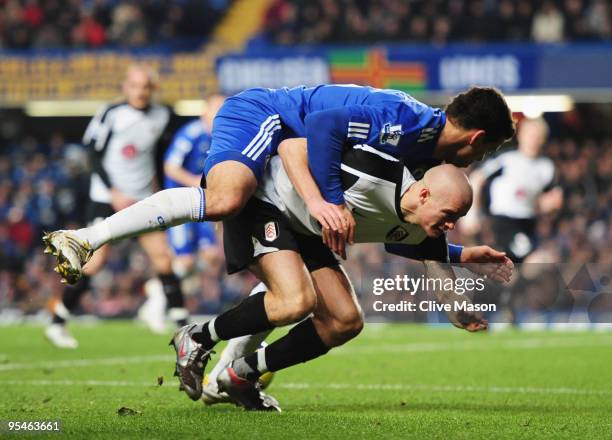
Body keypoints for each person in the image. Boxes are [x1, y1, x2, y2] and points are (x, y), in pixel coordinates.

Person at [43, 84, 515, 286]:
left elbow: (399, 234)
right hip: (265, 115)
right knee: (228, 198)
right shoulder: (405, 125)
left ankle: (232, 369)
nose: (476, 161)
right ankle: (85, 237)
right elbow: (325, 125)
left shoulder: (422, 160)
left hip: (289, 160)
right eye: (485, 152)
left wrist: (458, 259)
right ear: (476, 138)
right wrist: (329, 202)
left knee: (304, 280)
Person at [169, 141, 513, 410]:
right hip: (269, 199)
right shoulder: (372, 171)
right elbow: (293, 148)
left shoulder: (421, 220)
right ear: (424, 194)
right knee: (296, 301)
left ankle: (240, 376)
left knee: (346, 321)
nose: (452, 225)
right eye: (450, 214)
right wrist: (318, 202)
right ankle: (199, 336)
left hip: (309, 227)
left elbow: (417, 249)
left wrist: (459, 283)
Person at [44, 64, 188, 348]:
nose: (140, 92)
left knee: (163, 259)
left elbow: (159, 154)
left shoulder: (163, 115)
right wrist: (113, 190)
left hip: (144, 198)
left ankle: (184, 329)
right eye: (134, 86)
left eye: (145, 86)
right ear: (125, 87)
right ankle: (58, 322)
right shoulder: (111, 113)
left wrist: (158, 185)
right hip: (107, 199)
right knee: (94, 263)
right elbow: (93, 154)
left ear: (153, 89)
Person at [138, 97, 226, 332]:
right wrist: (197, 183)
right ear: (205, 112)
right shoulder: (191, 133)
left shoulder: (220, 136)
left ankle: (157, 289)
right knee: (184, 259)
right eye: (216, 110)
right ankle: (155, 305)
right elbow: (170, 166)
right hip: (180, 203)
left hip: (202, 203)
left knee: (211, 256)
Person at [463, 117, 563, 262]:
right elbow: (477, 179)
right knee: (535, 260)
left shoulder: (547, 167)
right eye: (530, 135)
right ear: (521, 135)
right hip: (503, 221)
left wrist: (549, 206)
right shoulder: (507, 160)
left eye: (538, 136)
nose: (533, 140)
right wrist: (472, 214)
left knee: (520, 268)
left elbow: (551, 200)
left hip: (529, 222)